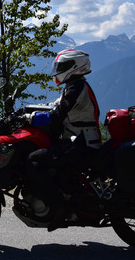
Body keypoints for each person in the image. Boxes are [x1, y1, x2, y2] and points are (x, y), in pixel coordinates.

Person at [24, 49, 101, 231]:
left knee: (34, 160)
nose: (58, 70)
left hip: (82, 144)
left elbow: (58, 114)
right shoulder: (74, 86)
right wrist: (27, 111)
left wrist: (29, 119)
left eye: (62, 67)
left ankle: (58, 207)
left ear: (74, 67)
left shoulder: (76, 88)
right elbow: (55, 106)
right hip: (79, 141)